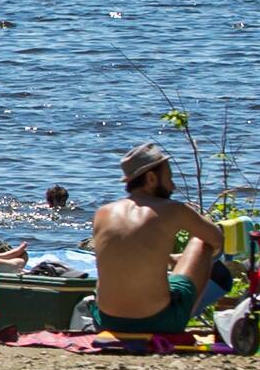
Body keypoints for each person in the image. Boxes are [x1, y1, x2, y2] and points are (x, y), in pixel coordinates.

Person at [90, 142, 227, 338]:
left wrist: (169, 258)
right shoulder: (173, 209)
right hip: (157, 322)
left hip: (106, 320)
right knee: (202, 241)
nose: (173, 186)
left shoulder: (102, 213)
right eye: (169, 178)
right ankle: (185, 315)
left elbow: (126, 252)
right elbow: (217, 240)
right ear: (152, 178)